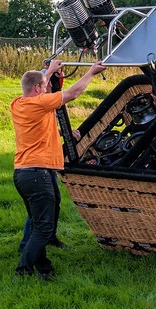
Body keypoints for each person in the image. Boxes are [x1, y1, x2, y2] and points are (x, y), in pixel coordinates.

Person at [12, 58, 106, 279]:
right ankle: (22, 270)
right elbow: (73, 93)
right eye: (44, 86)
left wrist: (50, 70)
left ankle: (44, 268)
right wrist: (92, 72)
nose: (46, 88)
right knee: (44, 227)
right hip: (38, 174)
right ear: (37, 89)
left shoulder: (17, 103)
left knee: (39, 223)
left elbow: (41, 91)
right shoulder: (41, 103)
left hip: (22, 173)